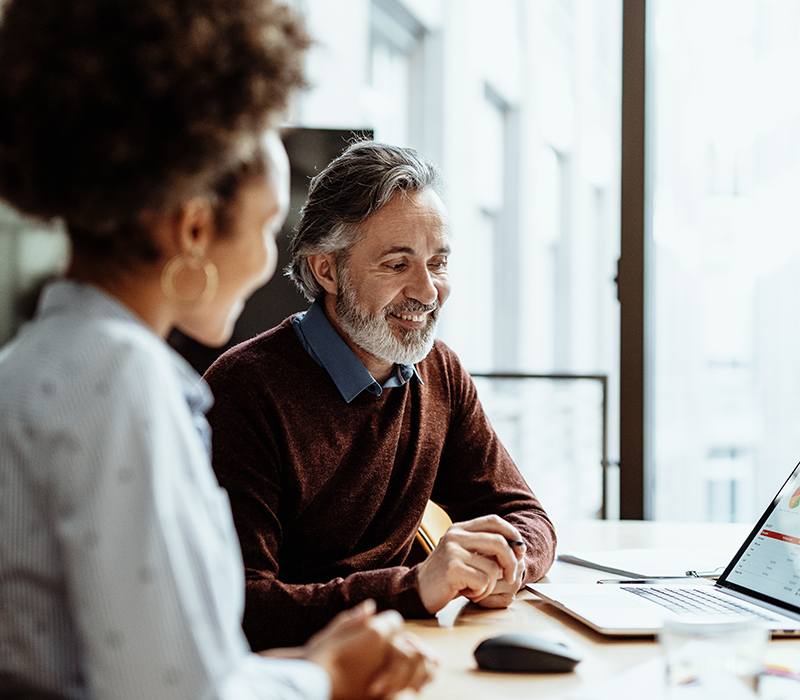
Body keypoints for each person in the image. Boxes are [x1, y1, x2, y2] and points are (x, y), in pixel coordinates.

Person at [0, 2, 436, 699]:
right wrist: (325, 677)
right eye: (268, 227)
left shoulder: (40, 362)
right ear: (194, 230)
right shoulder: (122, 383)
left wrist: (306, 662)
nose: (272, 263)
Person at [204, 140, 558, 651]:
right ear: (326, 270)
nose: (428, 290)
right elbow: (242, 607)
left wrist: (509, 562)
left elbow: (526, 515)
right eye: (397, 265)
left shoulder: (439, 371)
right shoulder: (241, 393)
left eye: (437, 263)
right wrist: (415, 587)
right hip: (299, 671)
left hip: (403, 650)